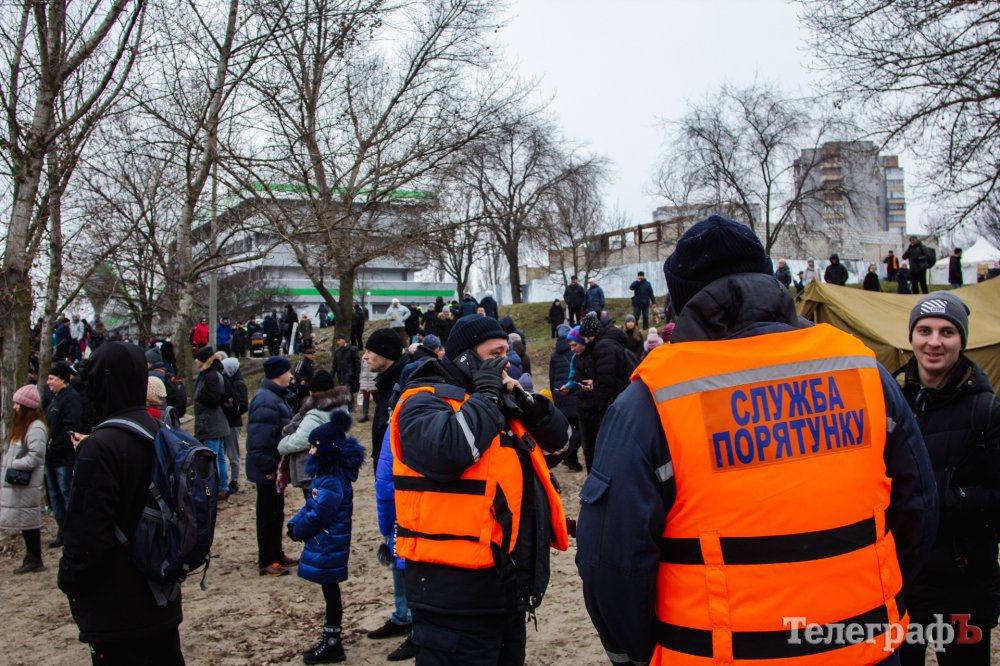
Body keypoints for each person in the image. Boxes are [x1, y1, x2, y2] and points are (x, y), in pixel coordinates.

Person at [577, 215, 938, 665]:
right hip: (865, 646)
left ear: (681, 302)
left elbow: (612, 561)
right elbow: (918, 507)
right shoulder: (861, 369)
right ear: (769, 279)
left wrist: (633, 655)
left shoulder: (651, 401)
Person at [390, 314, 570, 665]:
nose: (506, 363)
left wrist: (530, 406)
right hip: (453, 598)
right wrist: (487, 395)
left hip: (506, 591)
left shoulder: (499, 401)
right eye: (495, 354)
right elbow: (449, 452)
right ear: (465, 359)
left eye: (507, 352)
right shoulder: (421, 401)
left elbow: (560, 445)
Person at [58, 342, 186, 665]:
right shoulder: (161, 431)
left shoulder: (100, 446)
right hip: (161, 593)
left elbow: (86, 538)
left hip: (117, 608)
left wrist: (69, 579)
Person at [896, 292, 1000, 665]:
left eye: (947, 332)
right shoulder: (890, 400)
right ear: (911, 337)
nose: (934, 342)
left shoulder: (986, 410)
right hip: (903, 581)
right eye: (924, 330)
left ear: (962, 340)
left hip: (963, 581)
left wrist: (944, 496)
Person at [287, 410, 365, 664]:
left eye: (314, 447)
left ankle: (333, 642)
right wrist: (294, 523)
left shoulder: (331, 479)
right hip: (327, 541)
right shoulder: (326, 475)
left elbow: (320, 513)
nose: (310, 451)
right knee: (329, 590)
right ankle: (330, 638)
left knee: (331, 592)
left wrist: (299, 530)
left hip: (329, 542)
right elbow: (312, 505)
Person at [246, 356, 298, 577]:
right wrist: (268, 467)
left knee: (276, 512)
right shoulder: (266, 400)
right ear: (278, 374)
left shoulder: (275, 397)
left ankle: (276, 553)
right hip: (267, 469)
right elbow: (258, 440)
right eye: (287, 372)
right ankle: (267, 559)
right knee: (268, 514)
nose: (291, 376)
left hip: (274, 467)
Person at [0, 385, 48, 574]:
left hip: (26, 482)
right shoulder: (25, 426)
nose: (14, 407)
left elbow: (36, 455)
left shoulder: (36, 428)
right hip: (19, 483)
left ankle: (35, 558)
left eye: (17, 404)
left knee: (29, 520)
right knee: (26, 520)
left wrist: (14, 464)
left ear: (26, 406)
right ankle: (31, 557)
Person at [43, 362, 83, 549]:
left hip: (64, 458)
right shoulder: (55, 399)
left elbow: (70, 428)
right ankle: (62, 531)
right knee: (55, 496)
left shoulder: (71, 399)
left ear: (62, 380)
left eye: (52, 379)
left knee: (66, 494)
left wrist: (55, 446)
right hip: (51, 458)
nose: (48, 382)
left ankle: (73, 533)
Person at [362, 328, 408, 467]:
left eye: (369, 351)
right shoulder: (387, 381)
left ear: (385, 354)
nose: (364, 357)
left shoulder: (402, 385)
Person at [193, 346, 230, 499]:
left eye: (197, 359)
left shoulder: (211, 376)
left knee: (213, 457)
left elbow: (214, 398)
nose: (195, 362)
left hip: (211, 422)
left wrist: (199, 397)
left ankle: (215, 489)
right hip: (216, 421)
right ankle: (222, 487)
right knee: (219, 456)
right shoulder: (214, 374)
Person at [550, 324, 582, 472]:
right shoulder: (575, 352)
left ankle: (570, 458)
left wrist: (555, 396)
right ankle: (570, 456)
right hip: (573, 394)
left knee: (569, 429)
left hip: (560, 394)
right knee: (580, 429)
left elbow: (551, 377)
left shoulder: (554, 355)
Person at [221, 357, 249, 494]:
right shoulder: (230, 382)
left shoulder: (239, 384)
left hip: (233, 423)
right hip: (227, 422)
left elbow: (244, 405)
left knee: (233, 453)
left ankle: (234, 480)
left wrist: (232, 412)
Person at [330, 333, 361, 411]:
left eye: (339, 340)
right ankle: (347, 407)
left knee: (348, 390)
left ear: (344, 340)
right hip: (341, 375)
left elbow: (357, 362)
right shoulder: (337, 351)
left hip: (350, 374)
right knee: (343, 391)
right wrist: (330, 376)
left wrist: (357, 374)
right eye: (337, 340)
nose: (338, 342)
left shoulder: (352, 349)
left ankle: (350, 407)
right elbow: (334, 365)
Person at [357, 357, 377, 423]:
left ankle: (381, 412)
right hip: (365, 379)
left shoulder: (376, 356)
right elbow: (362, 369)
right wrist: (360, 379)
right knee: (365, 397)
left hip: (374, 379)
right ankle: (365, 414)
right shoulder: (364, 357)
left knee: (376, 397)